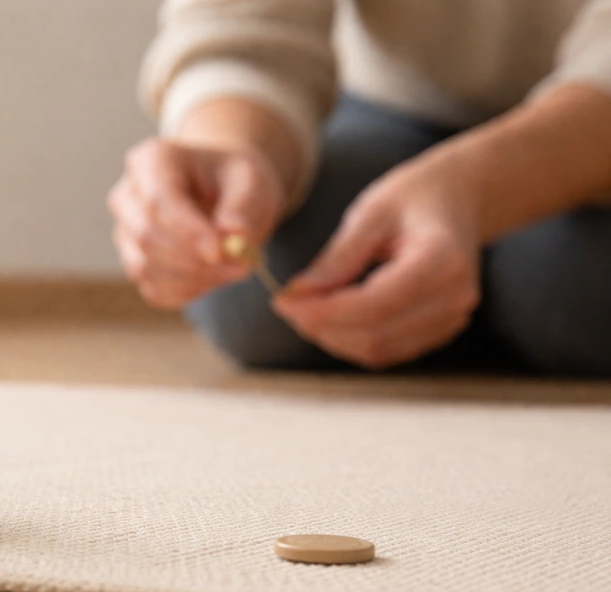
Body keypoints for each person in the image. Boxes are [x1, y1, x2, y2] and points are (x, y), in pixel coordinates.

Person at [108, 0, 611, 375]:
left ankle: (483, 302)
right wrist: (229, 147)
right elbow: (243, 36)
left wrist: (476, 189)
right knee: (247, 296)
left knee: (563, 289)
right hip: (396, 104)